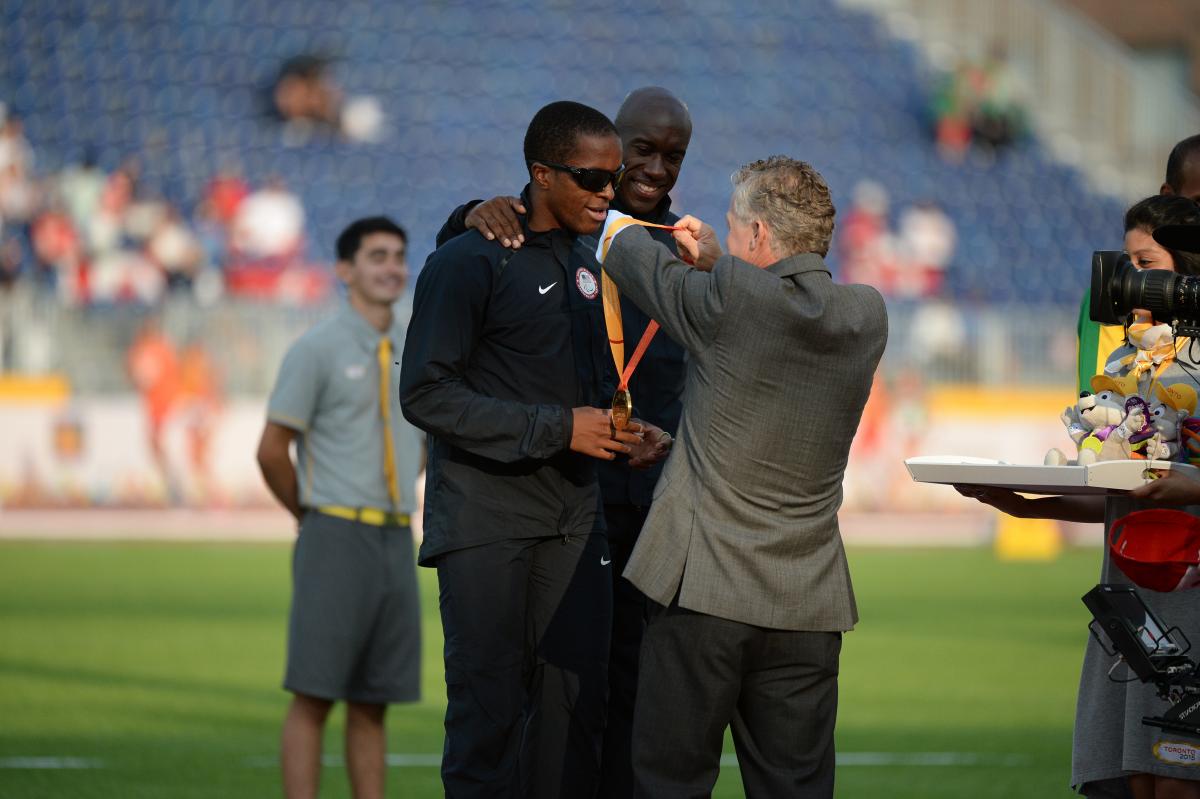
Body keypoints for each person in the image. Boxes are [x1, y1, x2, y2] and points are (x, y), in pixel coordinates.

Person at [599, 156, 888, 798]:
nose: (724, 241)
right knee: (796, 788)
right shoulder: (867, 314)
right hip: (808, 602)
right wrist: (718, 262)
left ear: (757, 235)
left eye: (732, 229)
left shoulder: (730, 298)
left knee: (670, 782)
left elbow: (621, 246)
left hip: (702, 590)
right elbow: (771, 313)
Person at [433, 85, 691, 797]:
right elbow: (458, 321)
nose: (652, 171)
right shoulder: (541, 235)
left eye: (674, 157)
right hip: (555, 500)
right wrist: (465, 216)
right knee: (525, 703)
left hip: (648, 509)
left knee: (623, 702)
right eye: (641, 151)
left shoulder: (683, 253)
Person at [959, 203, 1200, 799]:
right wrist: (1028, 506)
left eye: (1146, 265)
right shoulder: (1123, 365)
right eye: (1127, 265)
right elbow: (1121, 496)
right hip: (1129, 604)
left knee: (1175, 783)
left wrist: (1186, 483)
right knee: (1125, 780)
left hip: (1189, 603)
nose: (1130, 284)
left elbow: (1170, 483)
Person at [256, 216, 421, 799]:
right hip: (335, 532)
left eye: (398, 256)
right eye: (376, 256)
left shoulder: (418, 346)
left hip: (398, 536)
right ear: (344, 270)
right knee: (314, 694)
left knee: (375, 700)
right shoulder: (316, 348)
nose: (391, 267)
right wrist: (309, 513)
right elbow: (273, 449)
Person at [1077, 134, 1200, 392]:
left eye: (1145, 261)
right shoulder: (1117, 291)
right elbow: (1104, 416)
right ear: (1169, 196)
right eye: (1198, 203)